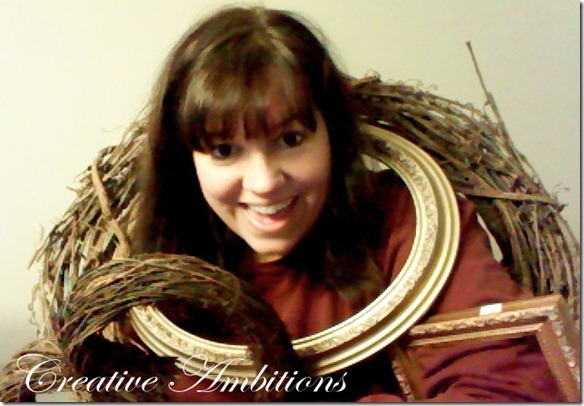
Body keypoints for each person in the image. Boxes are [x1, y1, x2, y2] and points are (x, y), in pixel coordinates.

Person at [130, 5, 561, 402]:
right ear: (185, 160)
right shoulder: (164, 298)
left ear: (332, 134)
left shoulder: (413, 223)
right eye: (224, 150)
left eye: (291, 139)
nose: (264, 183)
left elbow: (511, 384)